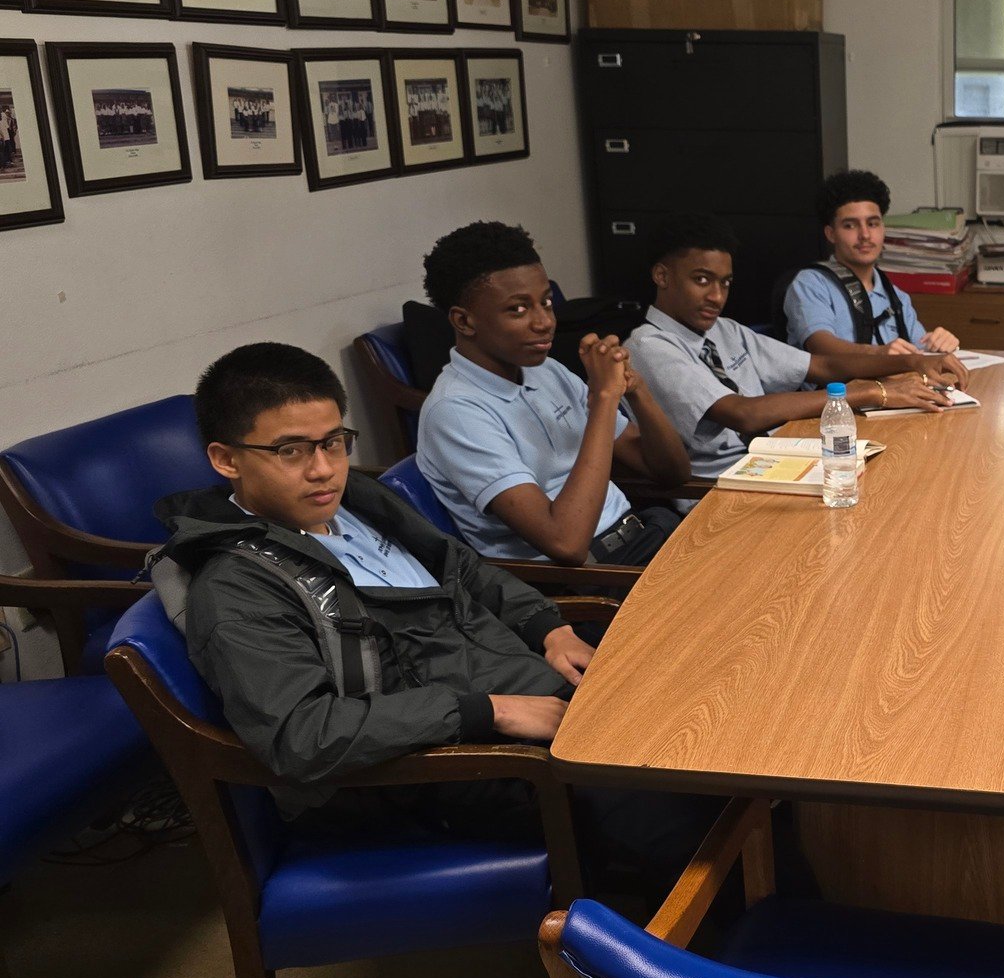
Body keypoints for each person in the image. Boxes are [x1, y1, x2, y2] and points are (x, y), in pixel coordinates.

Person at [155, 343, 722, 903]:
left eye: (333, 442)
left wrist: (549, 628)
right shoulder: (237, 587)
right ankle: (696, 938)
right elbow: (302, 736)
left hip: (520, 687)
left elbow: (464, 568)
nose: (323, 469)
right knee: (664, 799)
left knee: (706, 715)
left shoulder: (355, 501)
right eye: (290, 451)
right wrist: (487, 711)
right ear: (226, 460)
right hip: (439, 763)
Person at [625, 213, 969, 492]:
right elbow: (742, 414)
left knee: (902, 475)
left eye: (725, 283)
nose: (717, 296)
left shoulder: (723, 330)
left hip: (770, 461)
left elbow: (821, 366)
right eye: (702, 280)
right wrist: (874, 392)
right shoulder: (648, 347)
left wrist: (912, 361)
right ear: (662, 276)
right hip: (719, 486)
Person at [416, 221, 691, 567]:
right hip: (592, 578)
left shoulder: (546, 370)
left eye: (545, 302)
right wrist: (604, 399)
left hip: (642, 535)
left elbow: (672, 472)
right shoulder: (456, 411)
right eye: (518, 309)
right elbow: (566, 543)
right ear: (464, 321)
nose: (544, 322)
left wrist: (635, 390)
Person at [782, 169, 959, 355]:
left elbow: (918, 352)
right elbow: (820, 347)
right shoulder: (811, 284)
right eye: (850, 225)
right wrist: (878, 354)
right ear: (831, 234)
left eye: (872, 224)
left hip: (895, 376)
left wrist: (939, 343)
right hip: (840, 376)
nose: (865, 235)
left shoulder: (898, 297)